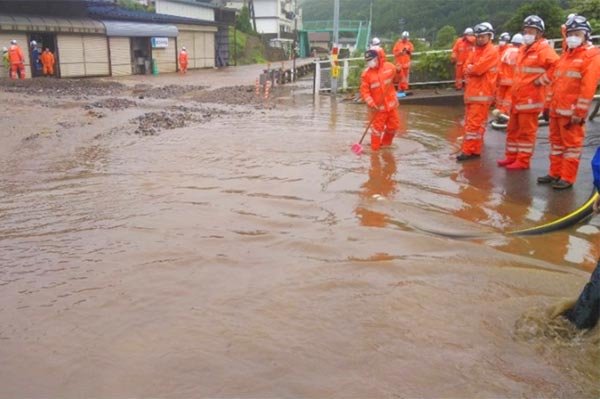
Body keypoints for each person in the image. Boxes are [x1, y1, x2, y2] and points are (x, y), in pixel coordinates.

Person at [537, 15, 600, 189]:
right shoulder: (566, 56)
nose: (572, 37)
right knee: (556, 145)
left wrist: (579, 114)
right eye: (570, 33)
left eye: (577, 33)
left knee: (571, 146)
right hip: (557, 111)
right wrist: (547, 106)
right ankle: (555, 173)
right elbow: (555, 84)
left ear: (586, 35)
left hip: (572, 114)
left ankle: (567, 177)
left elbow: (587, 89)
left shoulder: (591, 56)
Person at [497, 15, 559, 170]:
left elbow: (557, 67)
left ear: (539, 33)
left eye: (531, 31)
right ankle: (511, 157)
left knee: (526, 132)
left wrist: (542, 80)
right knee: (512, 130)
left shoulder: (543, 50)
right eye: (525, 30)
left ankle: (523, 160)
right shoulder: (524, 49)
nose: (527, 33)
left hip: (531, 99)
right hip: (518, 98)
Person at [455, 22, 499, 161]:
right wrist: (471, 68)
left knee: (473, 125)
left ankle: (467, 151)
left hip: (481, 94)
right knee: (476, 125)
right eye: (478, 36)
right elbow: (465, 68)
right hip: (472, 94)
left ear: (490, 36)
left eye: (483, 36)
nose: (480, 39)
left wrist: (472, 68)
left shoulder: (491, 51)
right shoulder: (475, 50)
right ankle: (475, 150)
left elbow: (477, 69)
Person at [359, 48, 400, 151]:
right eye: (368, 61)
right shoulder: (366, 74)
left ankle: (386, 146)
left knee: (393, 127)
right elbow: (365, 92)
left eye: (371, 60)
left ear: (378, 58)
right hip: (378, 109)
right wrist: (371, 103)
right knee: (377, 131)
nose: (370, 63)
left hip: (391, 106)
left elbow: (397, 81)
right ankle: (375, 151)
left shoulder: (390, 67)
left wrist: (399, 72)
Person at [493, 33, 523, 122]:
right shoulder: (520, 52)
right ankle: (504, 114)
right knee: (508, 99)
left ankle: (498, 112)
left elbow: (499, 65)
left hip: (502, 79)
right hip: (512, 80)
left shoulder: (506, 51)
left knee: (500, 98)